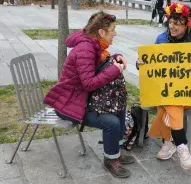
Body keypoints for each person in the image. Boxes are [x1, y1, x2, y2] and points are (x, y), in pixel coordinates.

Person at [43, 11, 135, 178]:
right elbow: (89, 83)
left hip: (82, 98)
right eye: (113, 29)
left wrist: (115, 57)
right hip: (69, 104)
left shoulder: (93, 44)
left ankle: (115, 151)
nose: (115, 33)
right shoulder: (86, 48)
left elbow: (99, 64)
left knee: (120, 108)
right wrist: (115, 70)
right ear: (101, 32)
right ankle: (111, 159)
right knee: (112, 122)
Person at [137, 3, 191, 170]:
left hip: (187, 93)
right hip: (165, 91)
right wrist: (141, 64)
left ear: (187, 24)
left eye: (178, 23)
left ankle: (169, 142)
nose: (172, 26)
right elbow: (152, 67)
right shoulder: (161, 39)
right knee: (169, 101)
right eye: (171, 22)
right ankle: (180, 145)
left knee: (170, 103)